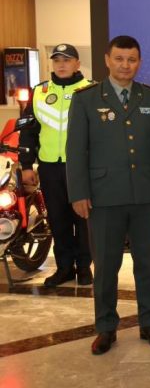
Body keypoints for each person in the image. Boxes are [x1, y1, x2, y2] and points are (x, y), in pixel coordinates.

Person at [66, 35, 150, 355]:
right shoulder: (86, 99)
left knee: (147, 264)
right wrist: (79, 192)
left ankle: (149, 322)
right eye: (120, 59)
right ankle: (106, 327)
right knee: (106, 266)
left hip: (146, 195)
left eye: (132, 59)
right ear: (107, 60)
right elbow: (76, 150)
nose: (126, 65)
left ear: (139, 62)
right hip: (104, 196)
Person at [19, 44, 93, 287]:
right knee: (58, 220)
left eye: (67, 60)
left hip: (82, 167)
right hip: (50, 167)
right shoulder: (39, 92)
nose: (61, 64)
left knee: (83, 220)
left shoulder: (91, 90)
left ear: (77, 64)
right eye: (57, 60)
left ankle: (84, 267)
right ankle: (64, 268)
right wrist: (26, 165)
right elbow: (28, 131)